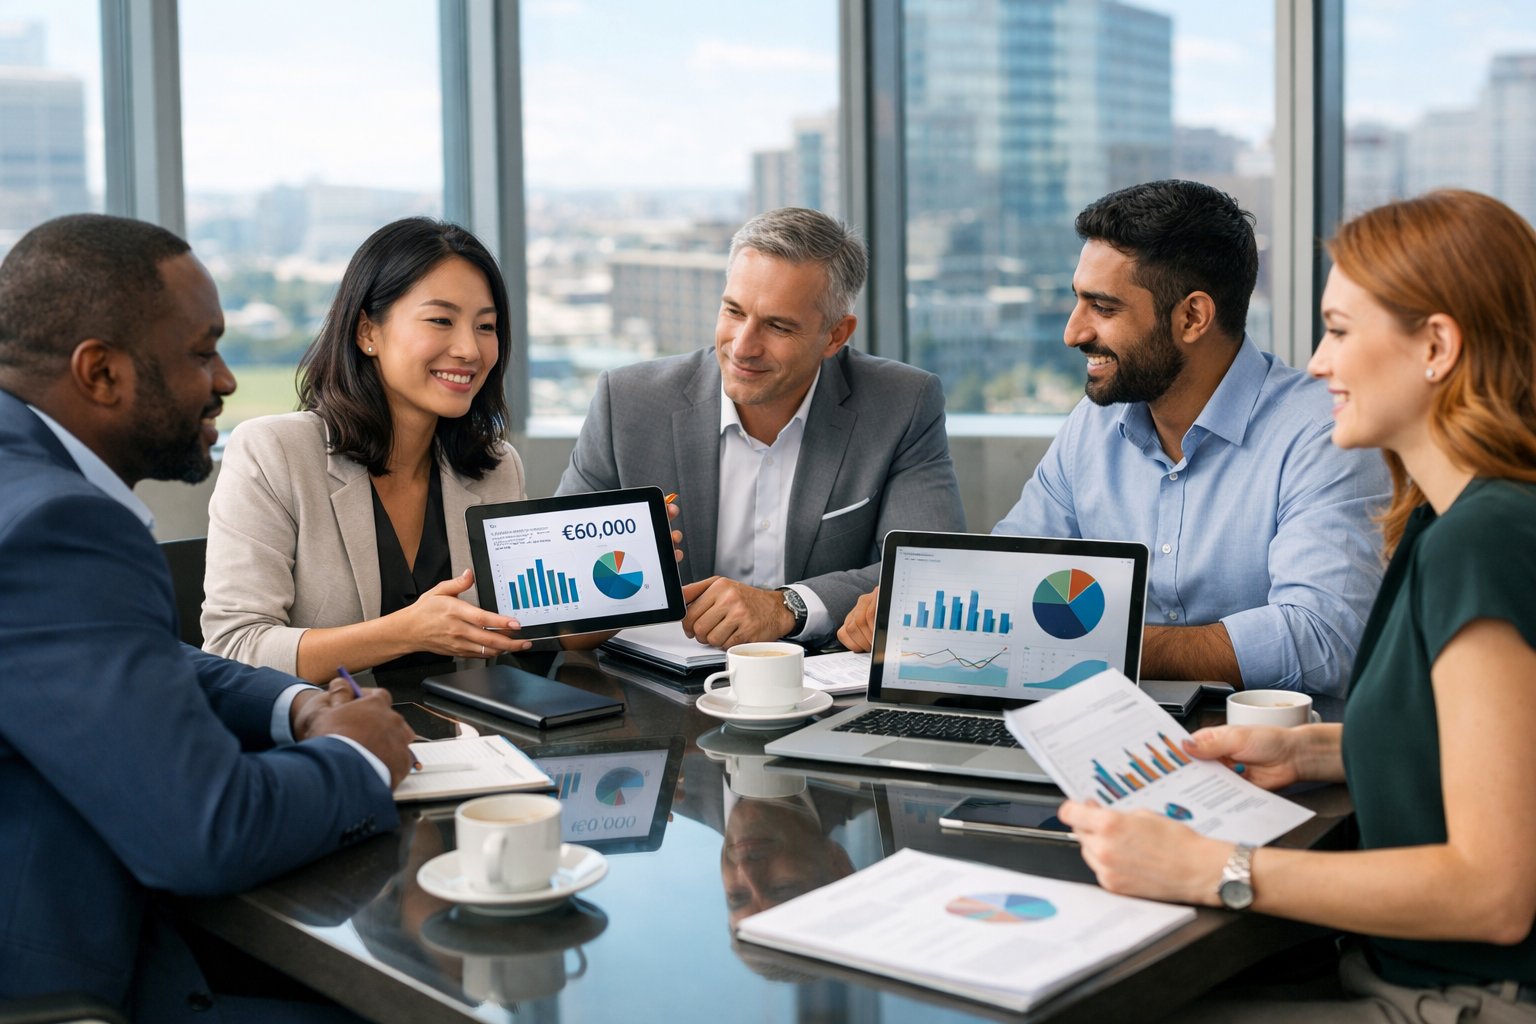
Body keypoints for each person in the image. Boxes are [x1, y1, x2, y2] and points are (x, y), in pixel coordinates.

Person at [1059, 190, 1536, 1022]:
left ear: (1436, 346)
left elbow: (1493, 894)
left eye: (1341, 331)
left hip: (1456, 998)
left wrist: (1211, 866)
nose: (1316, 363)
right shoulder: (1445, 517)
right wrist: (1322, 751)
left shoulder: (1482, 541)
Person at [0, 214, 415, 1021]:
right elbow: (210, 830)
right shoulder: (60, 524)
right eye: (201, 352)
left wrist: (289, 704)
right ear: (102, 373)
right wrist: (358, 757)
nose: (224, 380)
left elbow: (109, 651)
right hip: (64, 981)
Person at [838, 180, 1390, 697]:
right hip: (1103, 730)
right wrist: (924, 608)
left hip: (1265, 757)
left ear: (1193, 317)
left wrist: (1105, 647)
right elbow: (1014, 571)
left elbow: (1322, 638)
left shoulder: (1323, 433)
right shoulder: (1095, 424)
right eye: (1078, 300)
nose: (1073, 332)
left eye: (1103, 307)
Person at [557, 206, 966, 649]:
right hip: (662, 688)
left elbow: (928, 567)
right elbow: (559, 594)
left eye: (777, 326)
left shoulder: (902, 403)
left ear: (835, 335)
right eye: (734, 311)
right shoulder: (628, 402)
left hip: (822, 685)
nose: (743, 347)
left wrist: (788, 606)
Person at [201, 218, 536, 683]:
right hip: (330, 744)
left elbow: (522, 635)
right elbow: (235, 648)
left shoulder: (497, 468)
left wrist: (617, 601)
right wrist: (405, 632)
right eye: (441, 320)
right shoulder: (275, 453)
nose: (469, 349)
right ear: (367, 333)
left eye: (486, 326)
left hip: (473, 744)